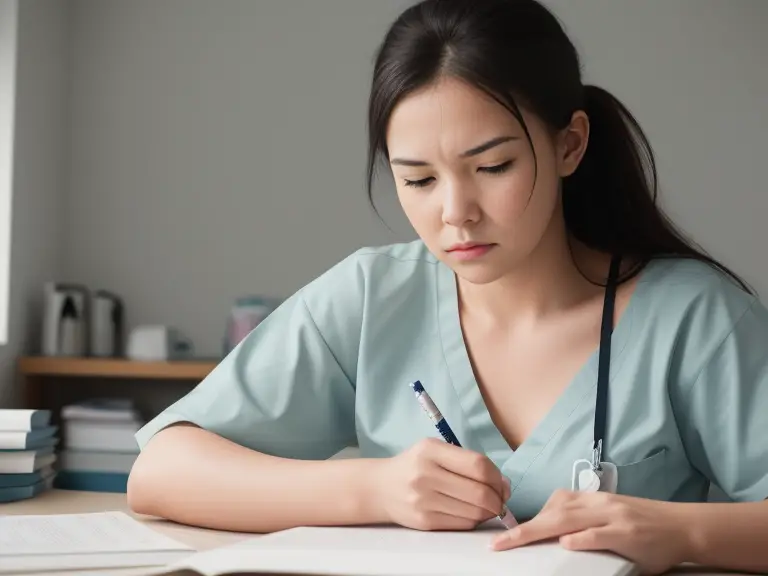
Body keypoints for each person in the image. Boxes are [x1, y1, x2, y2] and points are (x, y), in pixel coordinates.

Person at [127, 0, 768, 573]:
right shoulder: (373, 296)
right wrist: (374, 490)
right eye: (419, 180)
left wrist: (684, 532)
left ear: (570, 144)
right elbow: (160, 473)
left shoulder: (696, 318)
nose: (455, 212)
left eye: (492, 166)